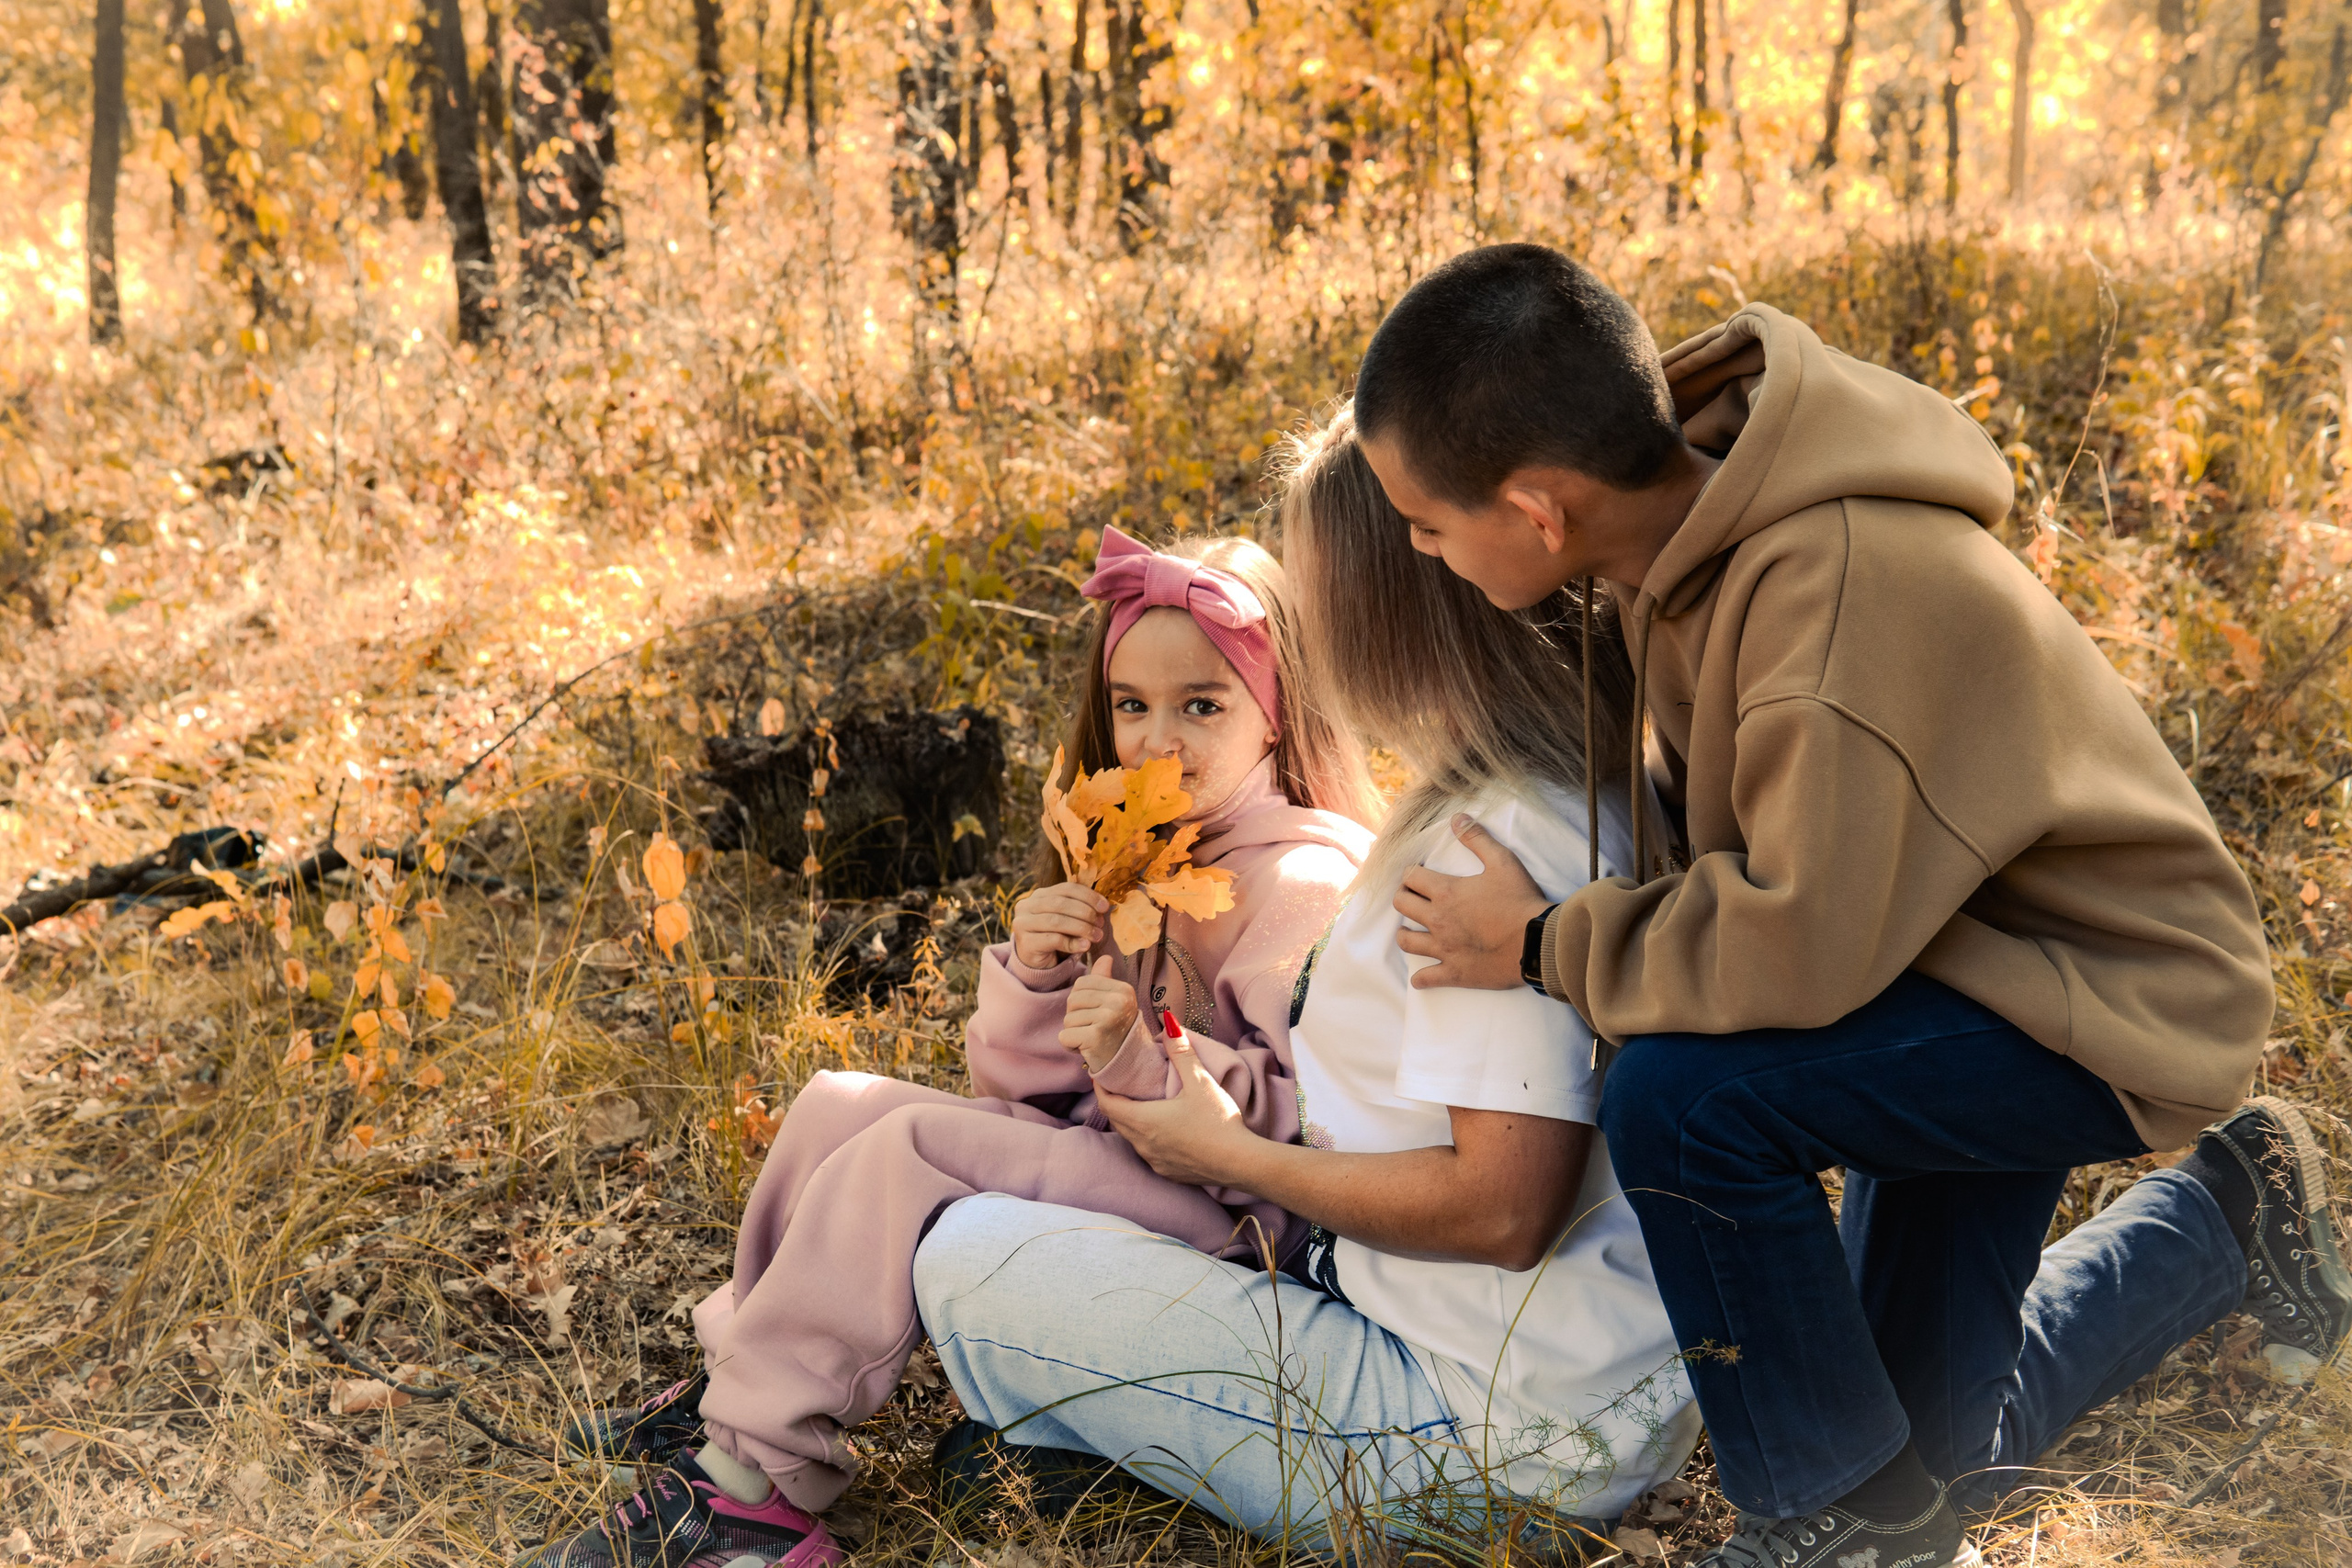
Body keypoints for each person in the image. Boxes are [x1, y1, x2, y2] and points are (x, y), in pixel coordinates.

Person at [1354, 243, 2347, 1568]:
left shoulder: (1825, 598)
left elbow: (1797, 944)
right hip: (1942, 958)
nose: (1421, 546)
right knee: (1929, 1448)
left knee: (1683, 1100)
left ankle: (1822, 1523)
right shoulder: (1685, 527)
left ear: (1539, 509)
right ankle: (2227, 1206)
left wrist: (1542, 945)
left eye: (1426, 519)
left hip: (2093, 995)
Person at [909, 411, 1698, 1562]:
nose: (1296, 627)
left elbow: (1506, 1209)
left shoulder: (1491, 851)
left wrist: (1227, 1155)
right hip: (1499, 1360)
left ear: (1396, 597)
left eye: (1316, 592)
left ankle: (1090, 1443)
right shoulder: (1531, 781)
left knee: (967, 1256)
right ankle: (1095, 1440)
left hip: (1483, 1437)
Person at [517, 527, 1380, 1568]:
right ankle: (734, 1383)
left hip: (1241, 1224)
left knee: (914, 1149)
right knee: (843, 1104)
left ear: (1277, 711)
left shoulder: (1299, 881)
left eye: (1204, 705)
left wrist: (1143, 1054)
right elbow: (1027, 1095)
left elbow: (1298, 1122)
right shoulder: (1139, 849)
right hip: (1135, 1158)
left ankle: (752, 1487)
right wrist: (1041, 976)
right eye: (1133, 706)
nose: (1160, 742)